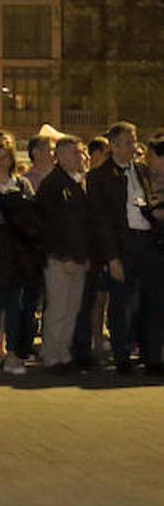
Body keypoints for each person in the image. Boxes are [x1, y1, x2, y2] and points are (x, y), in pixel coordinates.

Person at [87, 121, 161, 374]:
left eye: (135, 141)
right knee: (122, 302)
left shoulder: (141, 171)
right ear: (114, 146)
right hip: (122, 244)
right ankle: (122, 355)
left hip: (148, 241)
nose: (134, 147)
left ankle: (152, 356)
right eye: (128, 142)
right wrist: (112, 258)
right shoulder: (99, 176)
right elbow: (100, 221)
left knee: (153, 300)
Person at [0, 137, 38, 375]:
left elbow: (30, 214)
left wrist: (13, 213)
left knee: (15, 305)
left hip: (18, 253)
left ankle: (12, 353)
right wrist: (13, 213)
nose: (2, 162)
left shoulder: (22, 183)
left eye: (6, 156)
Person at [35, 135, 91, 373]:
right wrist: (65, 254)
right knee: (58, 308)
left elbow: (86, 223)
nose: (78, 157)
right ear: (59, 156)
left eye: (80, 152)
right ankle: (51, 355)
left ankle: (63, 352)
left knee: (72, 309)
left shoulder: (80, 182)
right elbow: (51, 225)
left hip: (79, 256)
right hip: (60, 257)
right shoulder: (53, 184)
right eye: (73, 153)